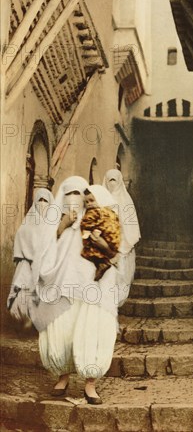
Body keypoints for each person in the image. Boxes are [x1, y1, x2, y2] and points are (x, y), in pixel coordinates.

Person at [37, 176, 120, 404]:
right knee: (62, 329)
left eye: (78, 194)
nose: (74, 199)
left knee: (92, 328)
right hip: (64, 289)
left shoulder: (97, 220)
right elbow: (43, 254)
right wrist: (62, 226)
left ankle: (90, 384)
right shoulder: (56, 225)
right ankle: (62, 377)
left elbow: (112, 251)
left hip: (92, 289)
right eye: (68, 194)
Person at [7, 189, 58, 329]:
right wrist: (30, 257)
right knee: (24, 293)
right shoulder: (27, 224)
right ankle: (24, 322)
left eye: (45, 201)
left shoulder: (54, 226)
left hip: (46, 267)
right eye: (39, 200)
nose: (42, 204)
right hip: (26, 267)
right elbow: (20, 239)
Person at [103, 169, 140, 306]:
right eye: (109, 180)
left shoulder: (126, 200)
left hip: (123, 244)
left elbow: (131, 225)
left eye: (114, 180)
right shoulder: (102, 199)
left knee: (122, 275)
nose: (112, 183)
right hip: (105, 244)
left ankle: (117, 303)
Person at [81, 185, 121, 281]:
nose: (89, 204)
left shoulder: (94, 212)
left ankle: (101, 264)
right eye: (86, 202)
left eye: (92, 200)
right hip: (113, 239)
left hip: (102, 236)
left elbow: (86, 224)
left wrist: (85, 232)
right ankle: (103, 263)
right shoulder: (111, 211)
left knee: (90, 249)